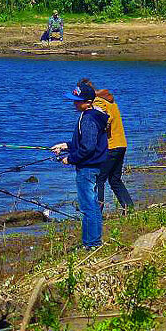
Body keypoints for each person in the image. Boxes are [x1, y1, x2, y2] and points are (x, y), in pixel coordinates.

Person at [50, 81, 109, 248]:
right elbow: (85, 142)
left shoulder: (89, 119)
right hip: (92, 166)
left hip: (88, 168)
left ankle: (91, 243)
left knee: (87, 206)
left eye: (77, 100)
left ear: (88, 102)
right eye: (74, 100)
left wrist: (70, 159)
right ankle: (94, 241)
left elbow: (88, 147)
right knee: (92, 205)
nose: (74, 103)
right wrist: (65, 146)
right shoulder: (92, 116)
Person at [79, 78, 134, 214]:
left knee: (99, 179)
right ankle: (129, 208)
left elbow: (104, 120)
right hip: (121, 144)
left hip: (111, 146)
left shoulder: (98, 101)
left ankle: (97, 211)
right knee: (114, 179)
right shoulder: (110, 100)